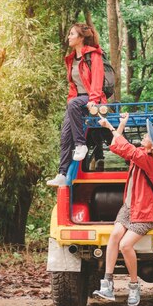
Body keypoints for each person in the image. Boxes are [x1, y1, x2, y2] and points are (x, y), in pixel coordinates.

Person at [92, 113, 153, 306]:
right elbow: (118, 147)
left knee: (125, 245)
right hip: (130, 207)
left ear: (152, 146)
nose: (144, 137)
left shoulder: (149, 161)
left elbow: (124, 147)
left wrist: (111, 127)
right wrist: (119, 125)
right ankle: (107, 284)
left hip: (147, 211)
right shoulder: (141, 154)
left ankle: (134, 286)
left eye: (147, 136)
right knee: (114, 237)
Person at [46, 23, 107, 187]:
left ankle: (81, 145)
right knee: (65, 135)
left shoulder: (94, 56)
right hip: (76, 100)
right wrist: (70, 102)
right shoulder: (71, 59)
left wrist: (93, 100)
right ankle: (62, 173)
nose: (69, 37)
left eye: (72, 34)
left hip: (93, 98)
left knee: (73, 105)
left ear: (81, 38)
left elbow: (97, 80)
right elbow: (73, 85)